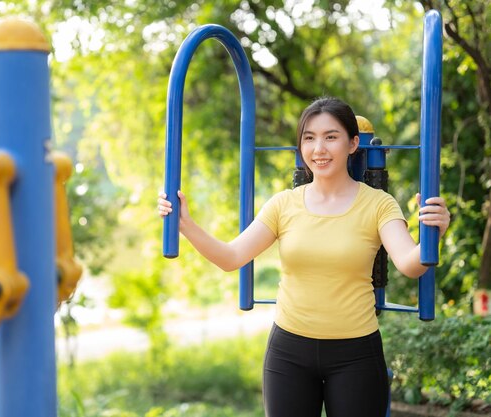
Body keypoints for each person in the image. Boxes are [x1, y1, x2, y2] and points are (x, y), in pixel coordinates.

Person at [157, 97, 451, 417]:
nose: (319, 148)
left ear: (353, 143)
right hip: (288, 353)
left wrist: (433, 235)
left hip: (356, 354)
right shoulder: (283, 204)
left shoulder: (379, 204)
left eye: (331, 137)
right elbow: (231, 257)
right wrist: (185, 225)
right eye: (309, 138)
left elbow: (409, 264)